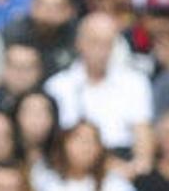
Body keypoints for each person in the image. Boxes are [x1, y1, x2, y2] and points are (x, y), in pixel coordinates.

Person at [44, 13, 153, 174]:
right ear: (79, 42)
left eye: (108, 43)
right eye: (94, 42)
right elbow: (57, 144)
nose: (101, 50)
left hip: (125, 165)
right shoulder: (58, 86)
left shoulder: (135, 82)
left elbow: (143, 136)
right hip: (72, 167)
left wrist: (137, 167)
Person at [0, 43, 44, 114]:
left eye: (27, 68)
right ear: (4, 68)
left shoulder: (48, 104)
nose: (21, 74)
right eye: (15, 66)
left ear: (39, 71)